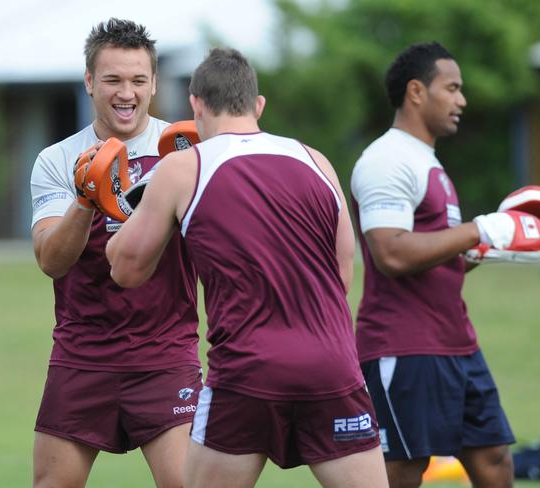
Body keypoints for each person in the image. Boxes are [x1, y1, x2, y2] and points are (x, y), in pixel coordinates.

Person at [107, 47, 389, 488]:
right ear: (258, 106)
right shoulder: (317, 161)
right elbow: (343, 274)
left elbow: (125, 270)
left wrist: (124, 201)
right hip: (331, 367)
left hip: (247, 372)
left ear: (196, 105)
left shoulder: (182, 167)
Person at [29, 18, 201, 488]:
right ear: (89, 82)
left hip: (165, 354)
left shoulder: (186, 154)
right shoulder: (59, 159)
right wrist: (86, 198)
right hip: (83, 354)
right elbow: (50, 259)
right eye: (112, 80)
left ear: (154, 85)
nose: (125, 92)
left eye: (137, 80)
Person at [350, 41, 515, 488]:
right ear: (417, 91)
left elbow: (434, 255)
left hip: (456, 342)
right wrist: (480, 229)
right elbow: (392, 254)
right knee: (403, 471)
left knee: (494, 457)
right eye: (453, 88)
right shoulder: (387, 159)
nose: (462, 100)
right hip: (404, 346)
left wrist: (492, 248)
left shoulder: (428, 161)